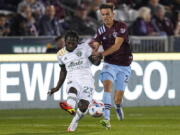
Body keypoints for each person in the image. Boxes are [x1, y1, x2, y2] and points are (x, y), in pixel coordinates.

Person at [47, 31, 101, 132]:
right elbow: (63, 71)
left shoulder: (85, 47)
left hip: (87, 80)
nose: (71, 45)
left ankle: (74, 121)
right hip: (73, 78)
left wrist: (98, 59)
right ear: (65, 42)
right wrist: (57, 87)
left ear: (77, 42)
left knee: (83, 106)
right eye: (69, 42)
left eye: (74, 43)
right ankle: (70, 106)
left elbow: (95, 63)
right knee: (72, 89)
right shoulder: (60, 54)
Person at [91, 4, 133, 129]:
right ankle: (106, 119)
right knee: (107, 87)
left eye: (107, 14)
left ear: (113, 14)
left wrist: (101, 54)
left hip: (124, 65)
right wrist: (93, 51)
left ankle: (118, 107)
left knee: (118, 98)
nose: (105, 17)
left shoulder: (121, 26)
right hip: (109, 64)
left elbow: (116, 46)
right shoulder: (100, 30)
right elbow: (95, 44)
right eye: (103, 14)